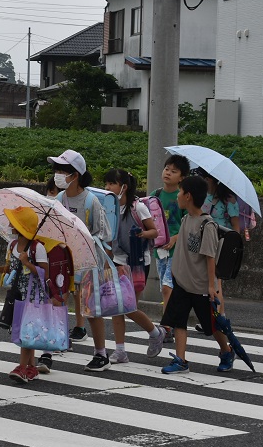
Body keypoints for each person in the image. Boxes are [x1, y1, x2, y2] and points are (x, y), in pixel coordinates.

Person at [158, 174, 235, 374]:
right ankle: (181, 360)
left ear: (188, 196)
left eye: (180, 192)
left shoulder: (207, 225)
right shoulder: (186, 219)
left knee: (212, 326)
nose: (178, 196)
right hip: (182, 283)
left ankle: (226, 351)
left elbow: (210, 257)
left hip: (200, 285)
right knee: (179, 321)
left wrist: (212, 286)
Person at [47, 149, 113, 372]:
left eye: (62, 171)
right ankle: (48, 350)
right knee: (57, 301)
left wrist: (81, 236)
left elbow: (104, 233)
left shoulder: (91, 201)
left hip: (86, 261)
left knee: (90, 309)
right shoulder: (58, 199)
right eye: (56, 170)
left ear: (75, 175)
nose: (57, 175)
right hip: (63, 261)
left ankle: (101, 354)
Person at [0, 206, 50, 383]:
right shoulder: (12, 245)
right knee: (24, 330)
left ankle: (22, 367)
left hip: (33, 296)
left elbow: (45, 274)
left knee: (27, 332)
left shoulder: (37, 248)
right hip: (17, 294)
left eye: (14, 221)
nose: (10, 224)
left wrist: (28, 262)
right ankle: (31, 368)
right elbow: (12, 268)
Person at [103, 169, 166, 362]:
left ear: (124, 187)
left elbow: (154, 232)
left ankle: (155, 333)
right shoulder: (110, 208)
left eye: (112, 184)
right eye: (106, 184)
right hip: (118, 261)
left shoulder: (137, 207)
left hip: (138, 262)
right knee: (116, 306)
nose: (107, 188)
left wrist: (141, 234)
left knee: (128, 306)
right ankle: (120, 350)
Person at [152, 154, 189, 342]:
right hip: (159, 250)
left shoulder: (182, 197)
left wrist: (175, 238)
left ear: (181, 177)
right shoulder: (155, 195)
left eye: (174, 171)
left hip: (178, 250)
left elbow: (189, 223)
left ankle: (167, 325)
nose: (168, 173)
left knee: (168, 287)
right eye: (167, 169)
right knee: (165, 288)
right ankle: (170, 324)